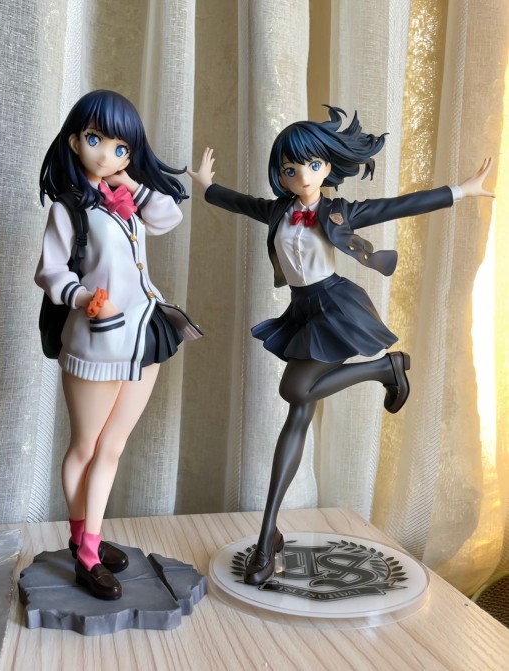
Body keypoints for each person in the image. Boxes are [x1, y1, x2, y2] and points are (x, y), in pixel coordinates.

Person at [188, 106, 494, 586]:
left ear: (327, 166)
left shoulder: (339, 211)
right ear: (281, 174)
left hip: (335, 306)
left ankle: (385, 369)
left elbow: (399, 205)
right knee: (298, 414)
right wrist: (207, 186)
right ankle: (268, 535)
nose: (302, 176)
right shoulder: (278, 210)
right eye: (290, 169)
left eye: (312, 165)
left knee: (295, 390)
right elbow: (239, 202)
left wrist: (461, 190)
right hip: (301, 310)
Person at [36, 90, 200, 599]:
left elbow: (169, 218)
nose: (107, 154)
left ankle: (90, 538)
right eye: (96, 140)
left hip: (144, 333)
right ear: (74, 142)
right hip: (96, 340)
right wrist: (85, 297)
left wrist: (129, 182)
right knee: (86, 447)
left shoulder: (125, 200)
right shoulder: (68, 208)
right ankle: (85, 549)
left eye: (121, 148)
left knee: (113, 446)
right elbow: (50, 272)